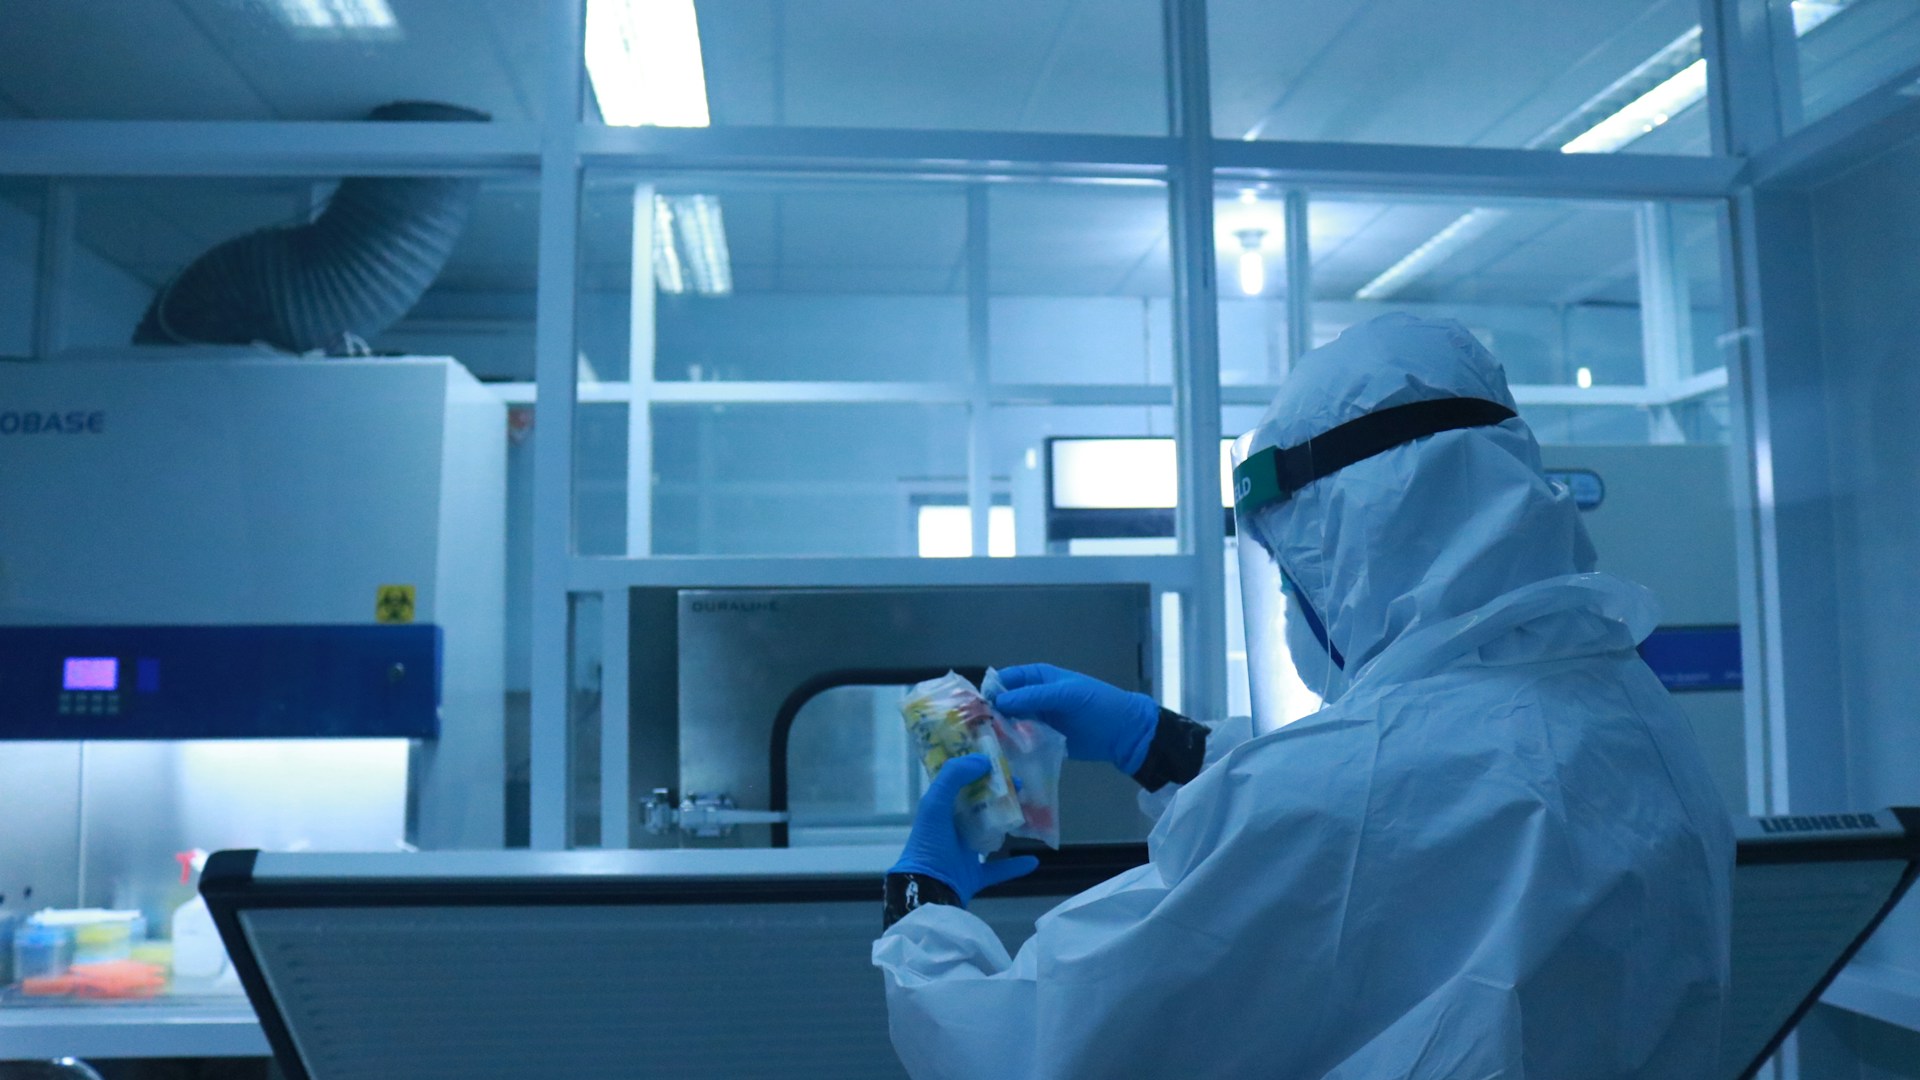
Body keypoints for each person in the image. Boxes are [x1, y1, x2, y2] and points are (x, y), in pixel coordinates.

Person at [871, 313, 1734, 1079]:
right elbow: (1413, 819)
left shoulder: (1352, 791)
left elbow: (1025, 1046)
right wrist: (1165, 744)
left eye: (1290, 578)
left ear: (1351, 551)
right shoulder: (1631, 710)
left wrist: (923, 912)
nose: (1289, 606)